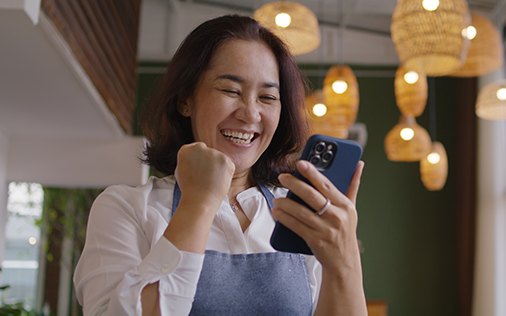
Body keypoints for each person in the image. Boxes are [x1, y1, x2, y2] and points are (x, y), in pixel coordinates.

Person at [73, 14, 367, 316]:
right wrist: (198, 202)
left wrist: (344, 260)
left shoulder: (300, 218)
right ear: (185, 99)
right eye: (230, 91)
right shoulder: (127, 208)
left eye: (267, 97)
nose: (250, 114)